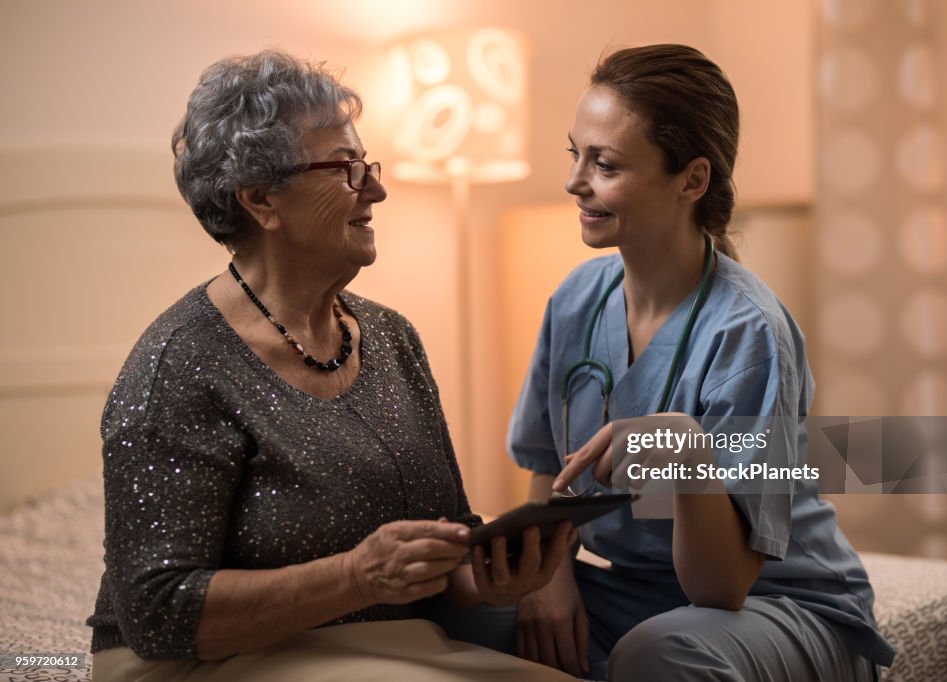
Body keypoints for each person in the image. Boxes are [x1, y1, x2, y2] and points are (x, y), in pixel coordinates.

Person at [86, 50, 578, 682]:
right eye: (346, 169)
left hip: (382, 645)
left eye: (367, 165)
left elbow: (447, 547)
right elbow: (158, 615)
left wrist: (497, 576)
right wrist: (355, 576)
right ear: (261, 200)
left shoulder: (390, 337)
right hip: (196, 661)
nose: (376, 188)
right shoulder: (180, 366)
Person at [507, 44, 896, 681]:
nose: (576, 181)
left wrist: (684, 450)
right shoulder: (575, 299)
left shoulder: (748, 331)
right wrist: (547, 577)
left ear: (692, 180)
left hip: (778, 604)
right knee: (471, 610)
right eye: (574, 154)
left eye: (604, 164)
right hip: (640, 594)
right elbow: (548, 466)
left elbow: (721, 588)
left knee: (661, 652)